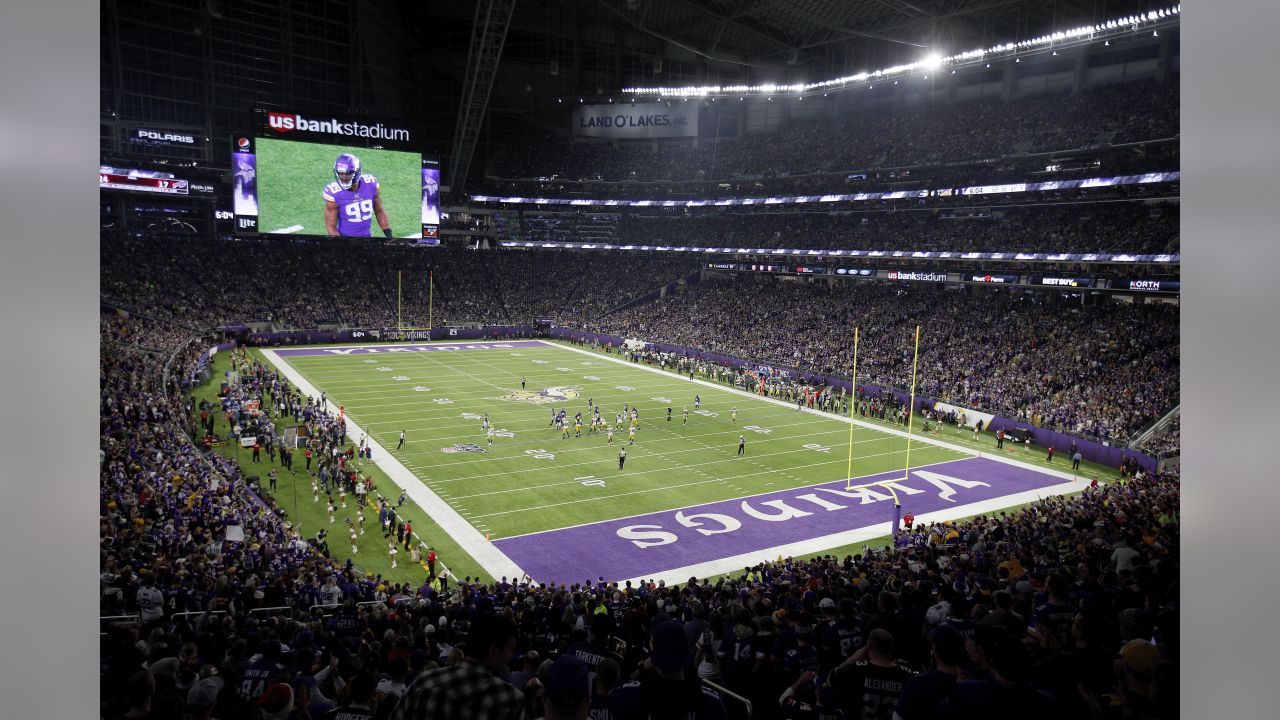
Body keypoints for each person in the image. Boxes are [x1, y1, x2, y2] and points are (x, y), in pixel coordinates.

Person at [390, 613, 524, 720]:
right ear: (493, 651)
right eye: (509, 650)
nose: (510, 656)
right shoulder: (510, 700)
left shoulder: (425, 682)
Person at [608, 621, 728, 720]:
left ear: (653, 660)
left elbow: (612, 694)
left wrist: (642, 667)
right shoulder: (711, 703)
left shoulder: (628, 696)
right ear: (686, 658)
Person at [826, 628, 916, 720]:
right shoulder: (907, 675)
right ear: (891, 647)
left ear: (868, 646)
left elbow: (830, 679)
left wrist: (853, 659)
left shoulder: (854, 670)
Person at [323, 153, 393, 238]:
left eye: (348, 173)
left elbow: (379, 211)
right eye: (341, 173)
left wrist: (389, 235)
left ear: (357, 172)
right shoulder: (334, 193)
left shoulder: (370, 184)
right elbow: (331, 226)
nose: (344, 177)